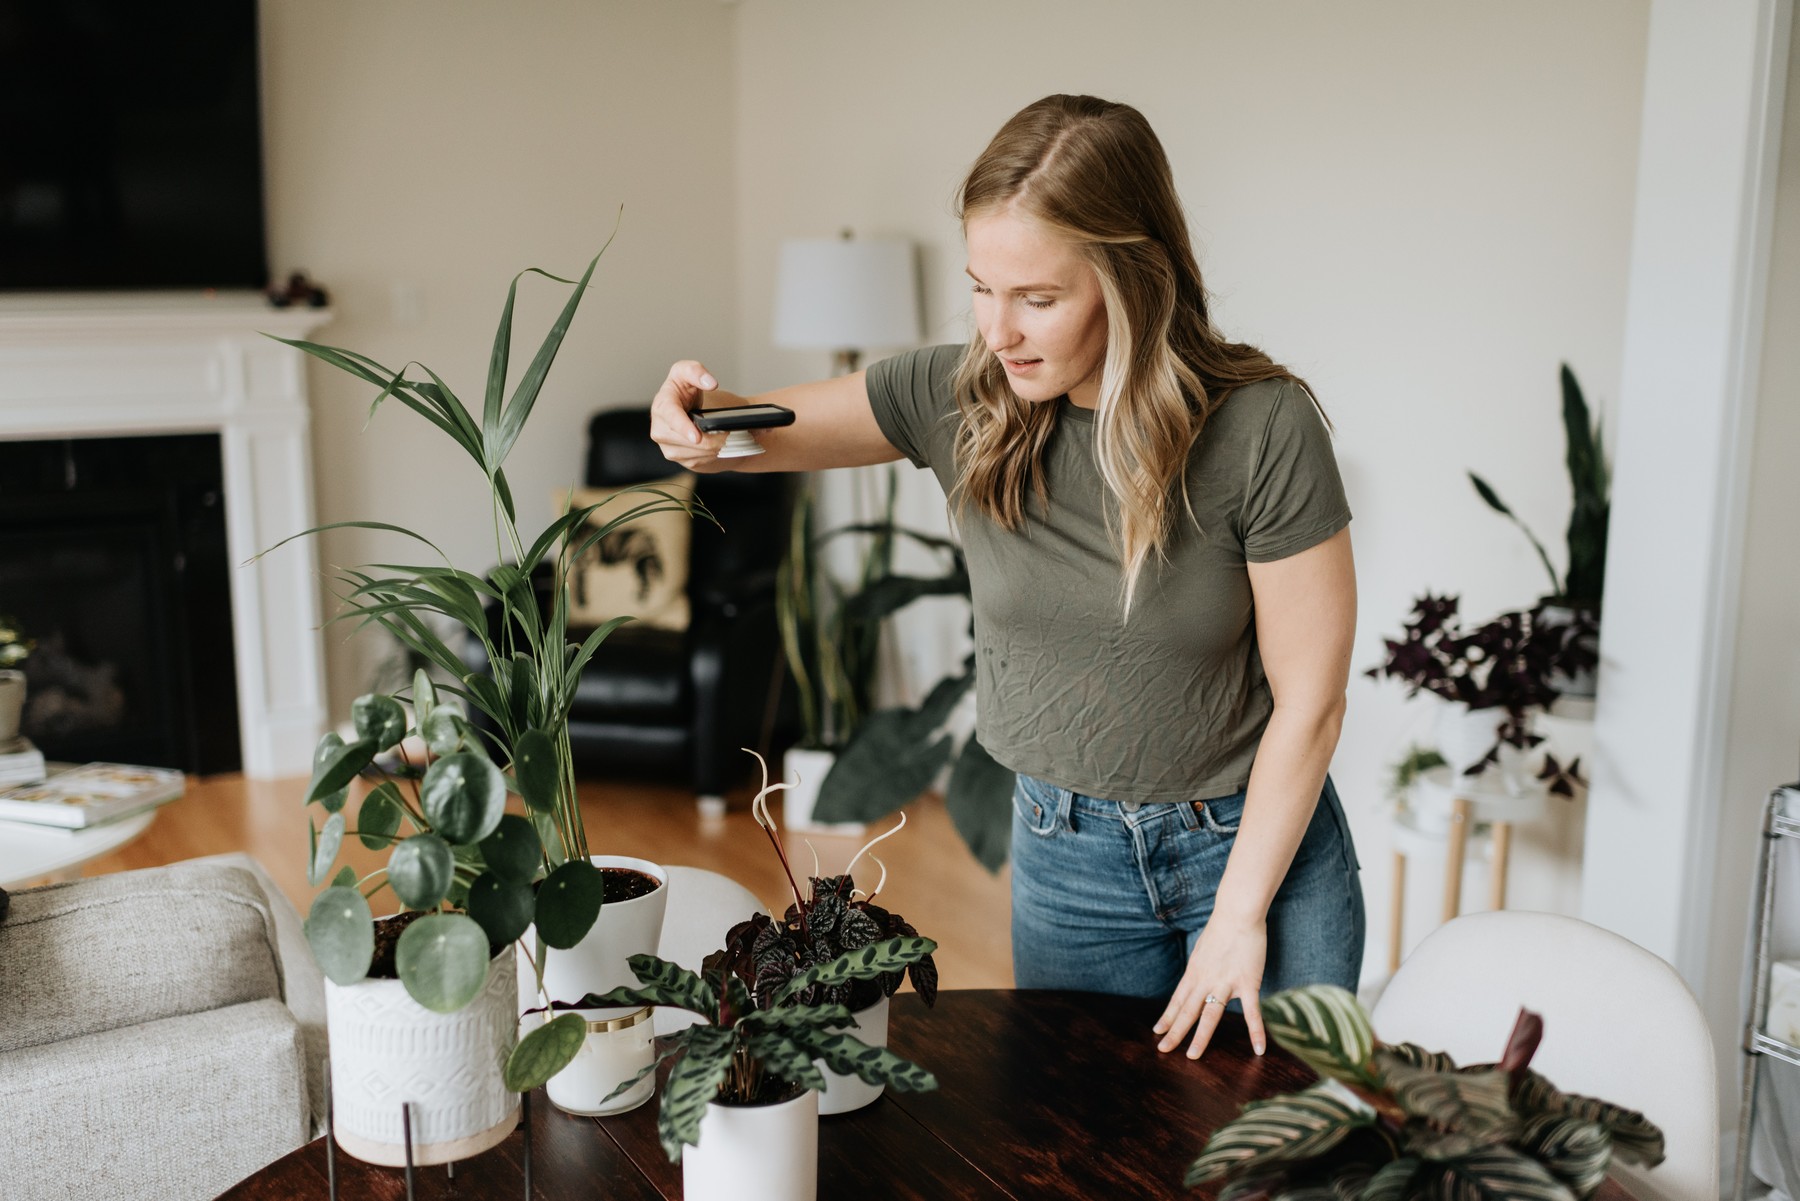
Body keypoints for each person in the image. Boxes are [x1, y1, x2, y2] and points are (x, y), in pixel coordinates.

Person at [649, 94, 1363, 1061]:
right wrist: (694, 421)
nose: (999, 330)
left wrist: (1240, 914)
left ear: (1132, 278)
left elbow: (1312, 703)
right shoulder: (962, 397)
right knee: (1081, 1147)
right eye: (983, 287)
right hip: (1066, 856)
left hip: (1252, 849)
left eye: (1037, 297)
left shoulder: (1262, 428)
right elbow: (751, 432)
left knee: (1259, 1154)